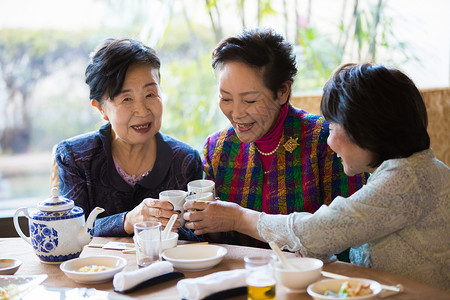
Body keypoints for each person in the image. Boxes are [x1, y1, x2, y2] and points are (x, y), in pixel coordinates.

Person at [187, 63, 450, 289]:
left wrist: (237, 217)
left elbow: (322, 230)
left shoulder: (407, 178)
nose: (330, 140)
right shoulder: (406, 170)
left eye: (334, 127)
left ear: (366, 131)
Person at [184, 28, 368, 249]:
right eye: (225, 98)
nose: (236, 113)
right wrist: (198, 223)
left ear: (283, 91)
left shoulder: (325, 140)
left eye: (250, 101)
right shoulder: (219, 148)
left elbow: (346, 234)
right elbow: (213, 245)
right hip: (237, 278)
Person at [55, 38, 202, 238]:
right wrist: (127, 221)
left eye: (150, 94)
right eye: (126, 99)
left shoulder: (185, 161)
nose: (142, 111)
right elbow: (69, 233)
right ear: (101, 109)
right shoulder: (75, 158)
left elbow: (198, 240)